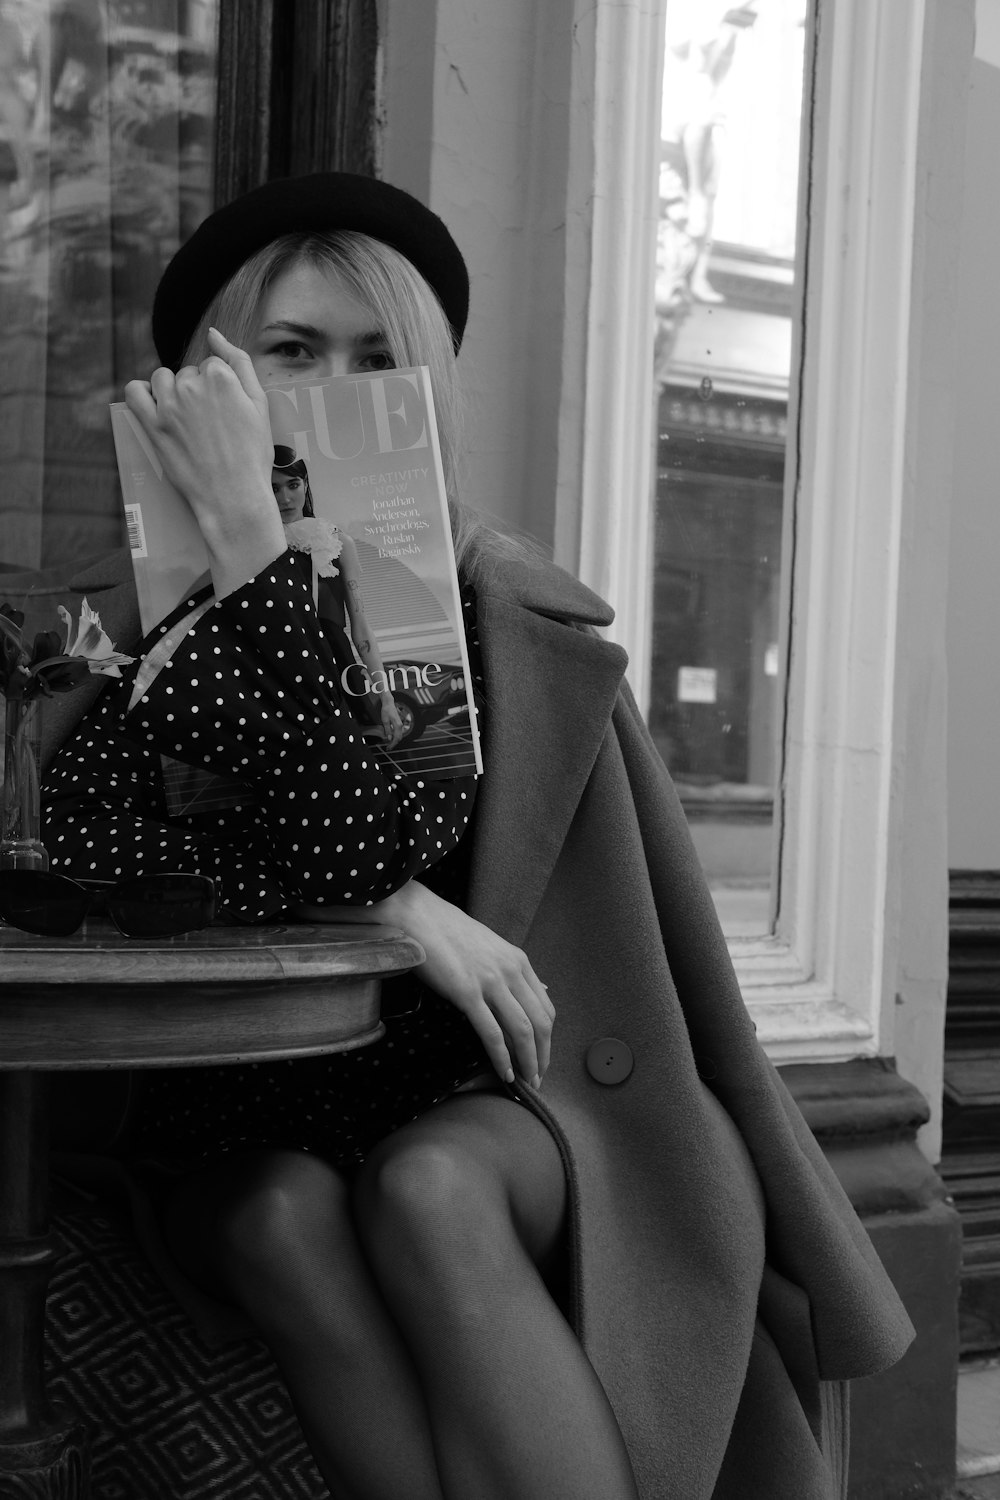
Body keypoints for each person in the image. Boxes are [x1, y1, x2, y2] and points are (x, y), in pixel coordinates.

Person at [42, 173, 914, 1500]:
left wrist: (256, 552)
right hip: (230, 1105)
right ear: (211, 378)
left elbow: (370, 827)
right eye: (290, 351)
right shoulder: (119, 629)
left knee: (428, 1193)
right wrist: (402, 907)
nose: (332, 387)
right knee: (279, 1215)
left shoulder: (482, 611)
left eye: (377, 357)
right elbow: (128, 858)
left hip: (495, 1087)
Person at [270, 443, 405, 747]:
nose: (285, 498)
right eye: (274, 489)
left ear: (305, 484)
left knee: (368, 757)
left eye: (293, 485)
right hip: (287, 670)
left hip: (339, 666)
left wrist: (385, 697)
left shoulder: (337, 542)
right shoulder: (260, 548)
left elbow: (360, 625)